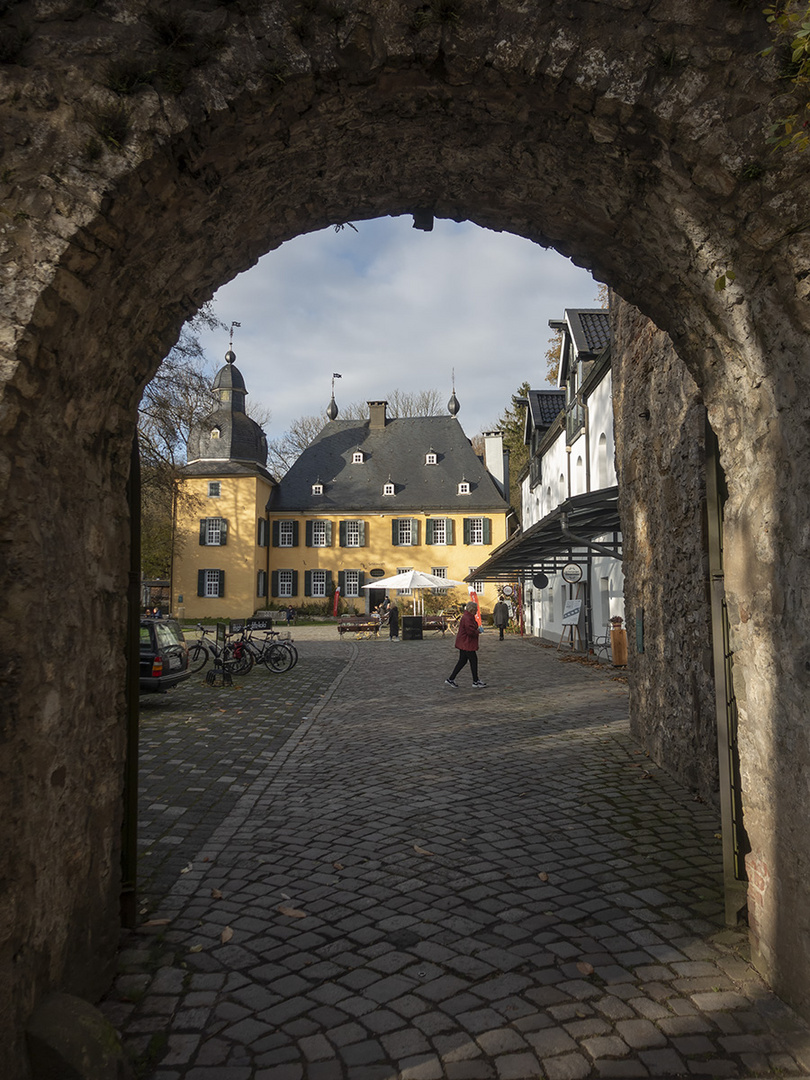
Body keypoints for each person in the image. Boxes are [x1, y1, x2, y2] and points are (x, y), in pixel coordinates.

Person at [445, 600, 486, 688]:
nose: (476, 612)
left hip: (463, 642)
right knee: (473, 660)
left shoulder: (467, 616)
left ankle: (451, 679)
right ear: (472, 610)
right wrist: (478, 631)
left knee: (462, 661)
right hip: (466, 643)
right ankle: (475, 681)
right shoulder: (468, 618)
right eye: (475, 610)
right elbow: (470, 631)